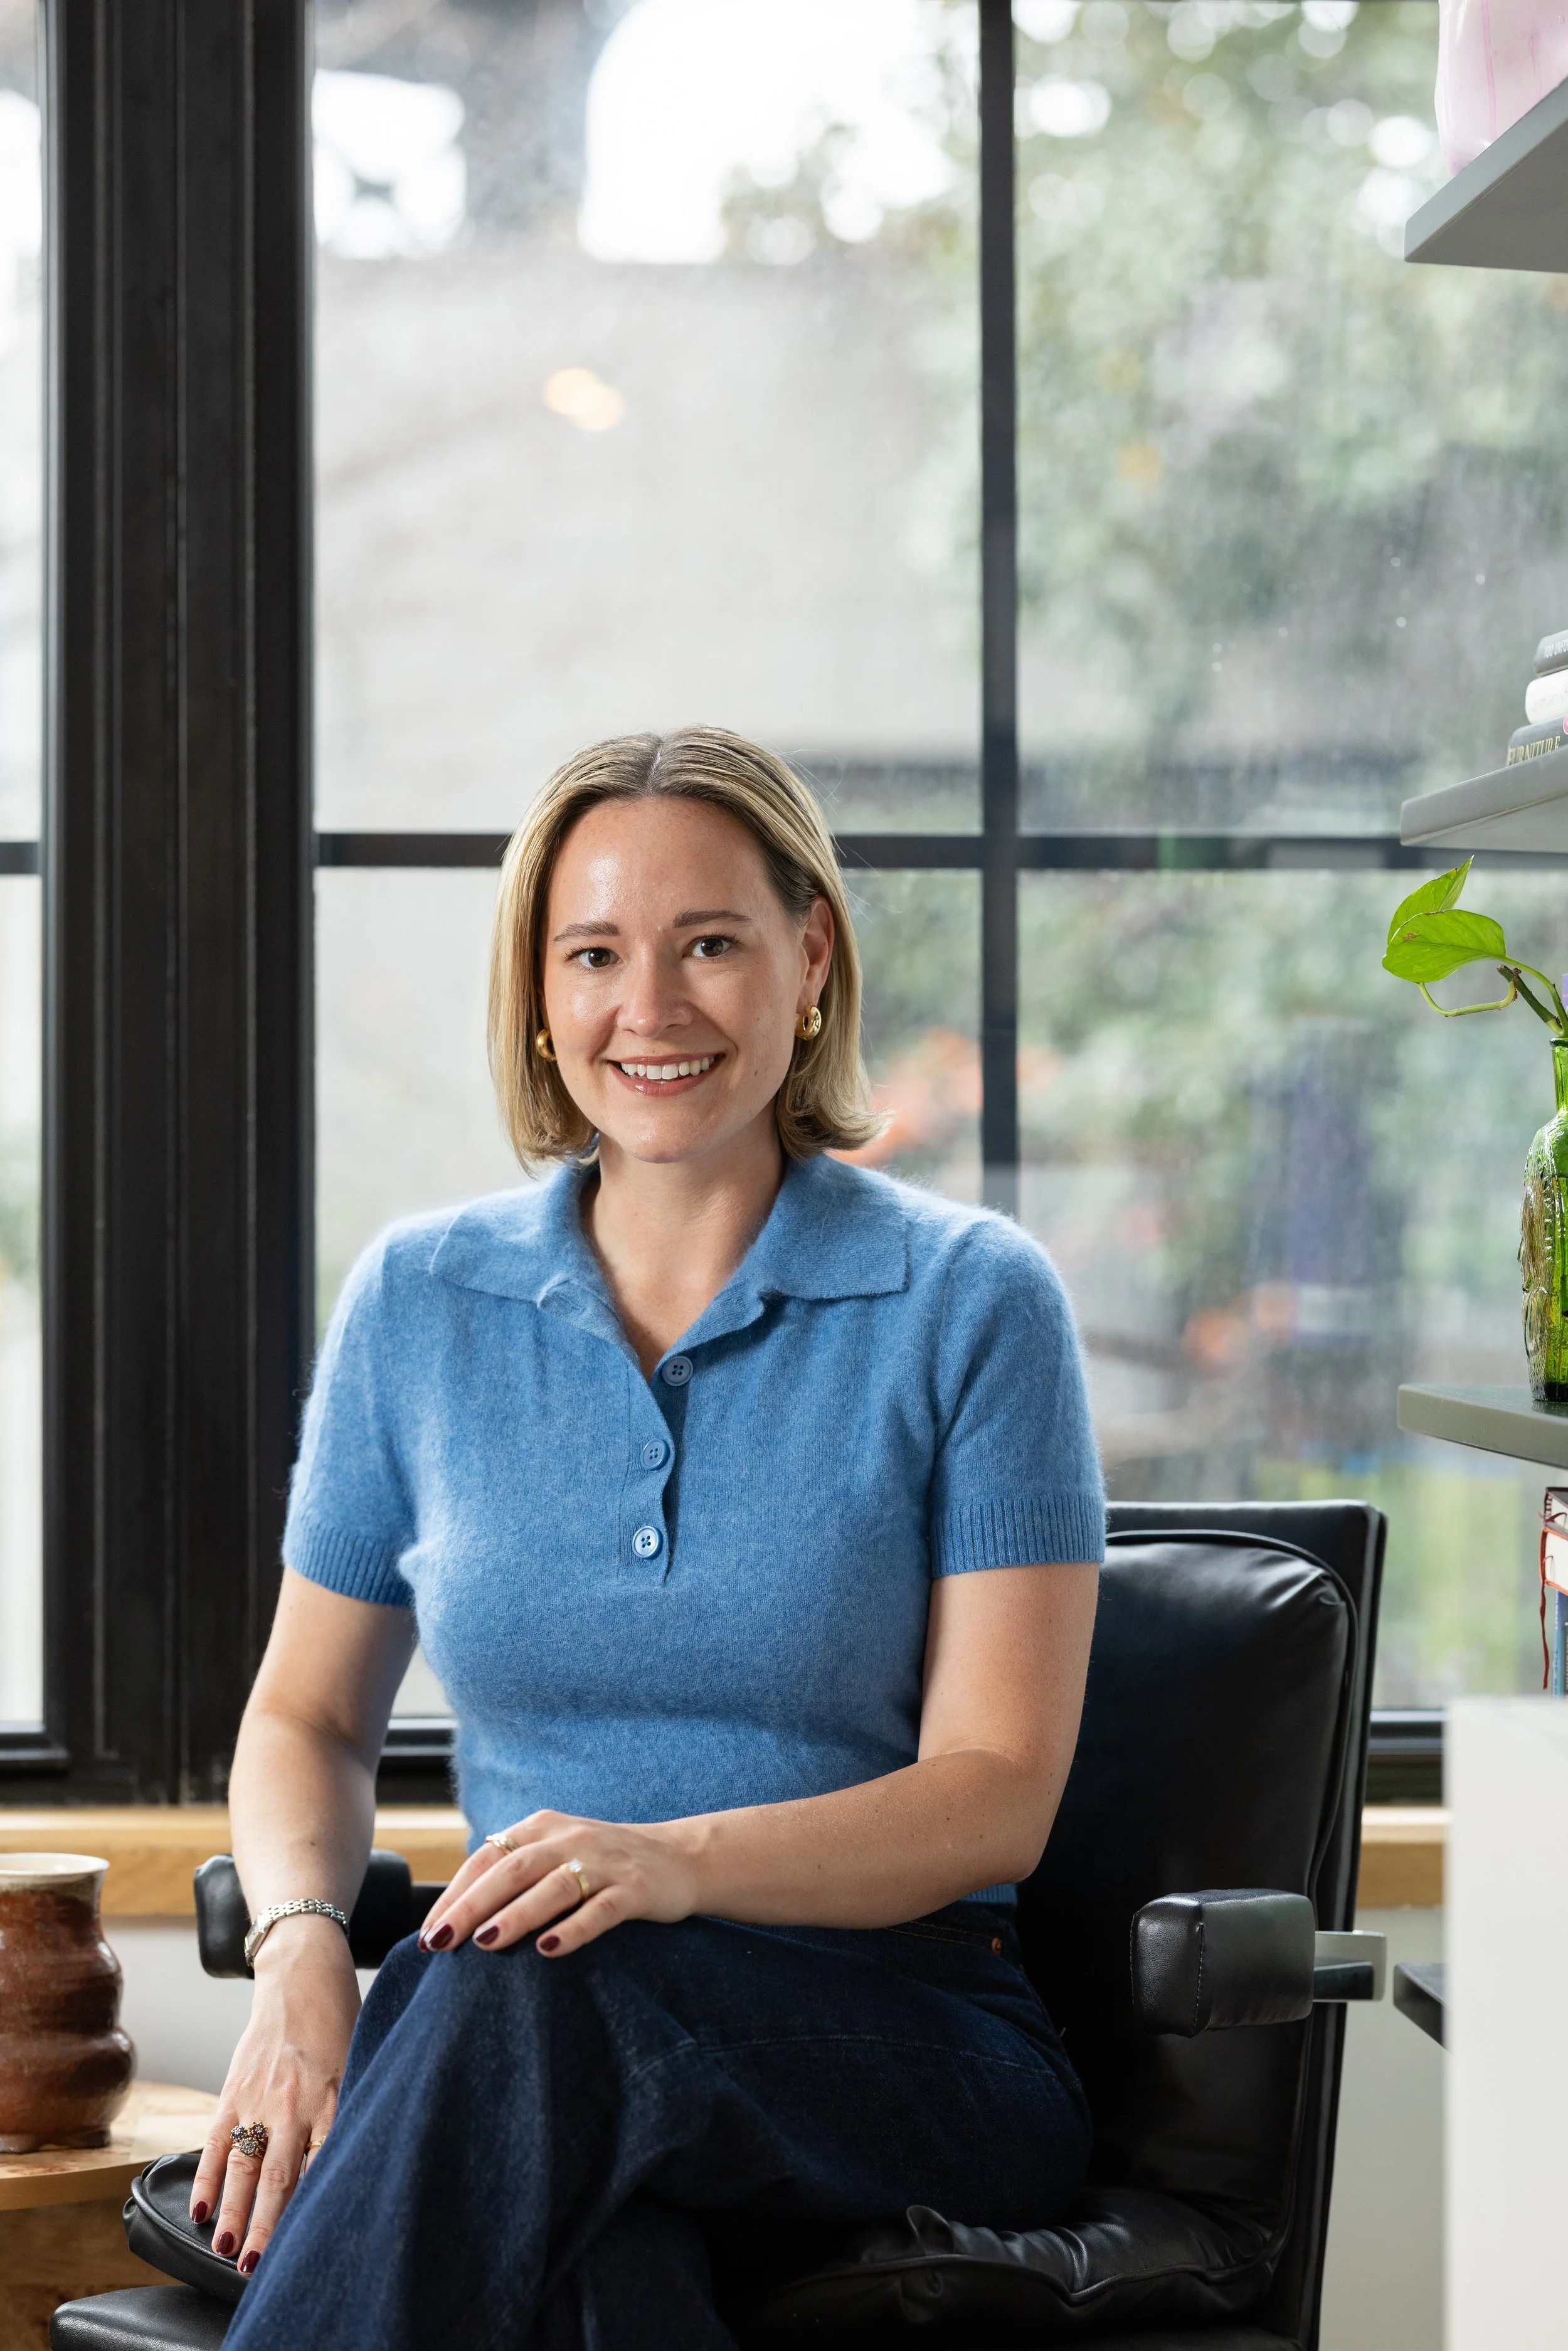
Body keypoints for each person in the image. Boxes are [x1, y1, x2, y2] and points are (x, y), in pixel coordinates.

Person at [203, 727, 1104, 2351]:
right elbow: (307, 1716)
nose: (651, 1007)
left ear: (809, 954)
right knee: (597, 2265)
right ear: (538, 993)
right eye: (594, 953)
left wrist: (672, 1860)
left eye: (709, 943)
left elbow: (999, 1789)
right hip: (520, 2020)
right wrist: (299, 1955)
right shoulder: (418, 1300)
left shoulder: (970, 1304)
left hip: (903, 2027)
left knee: (522, 1995)